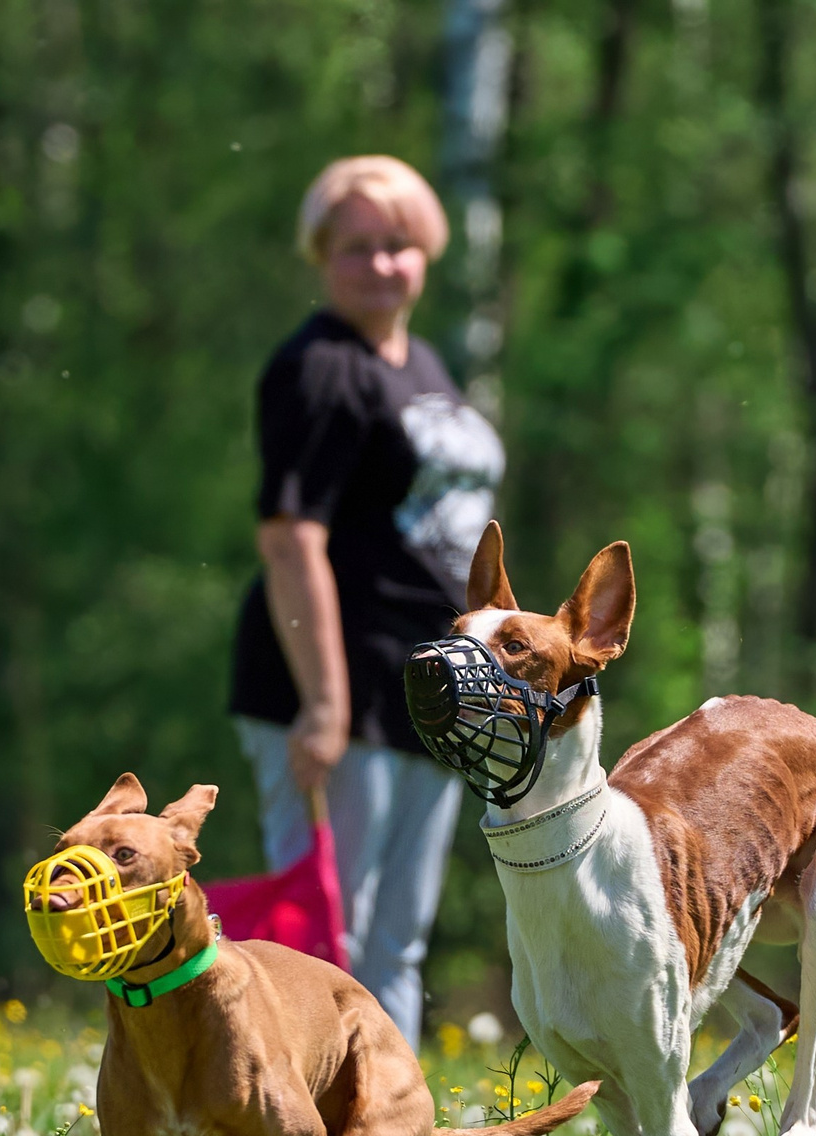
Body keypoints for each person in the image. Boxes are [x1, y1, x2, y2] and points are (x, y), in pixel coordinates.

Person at [229, 155, 503, 1044]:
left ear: (425, 250)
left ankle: (383, 1133)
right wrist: (323, 703)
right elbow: (289, 535)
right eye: (356, 248)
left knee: (397, 938)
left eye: (396, 245)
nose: (381, 265)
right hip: (333, 683)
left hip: (423, 685)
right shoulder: (317, 368)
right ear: (321, 256)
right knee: (324, 938)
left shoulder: (419, 361)